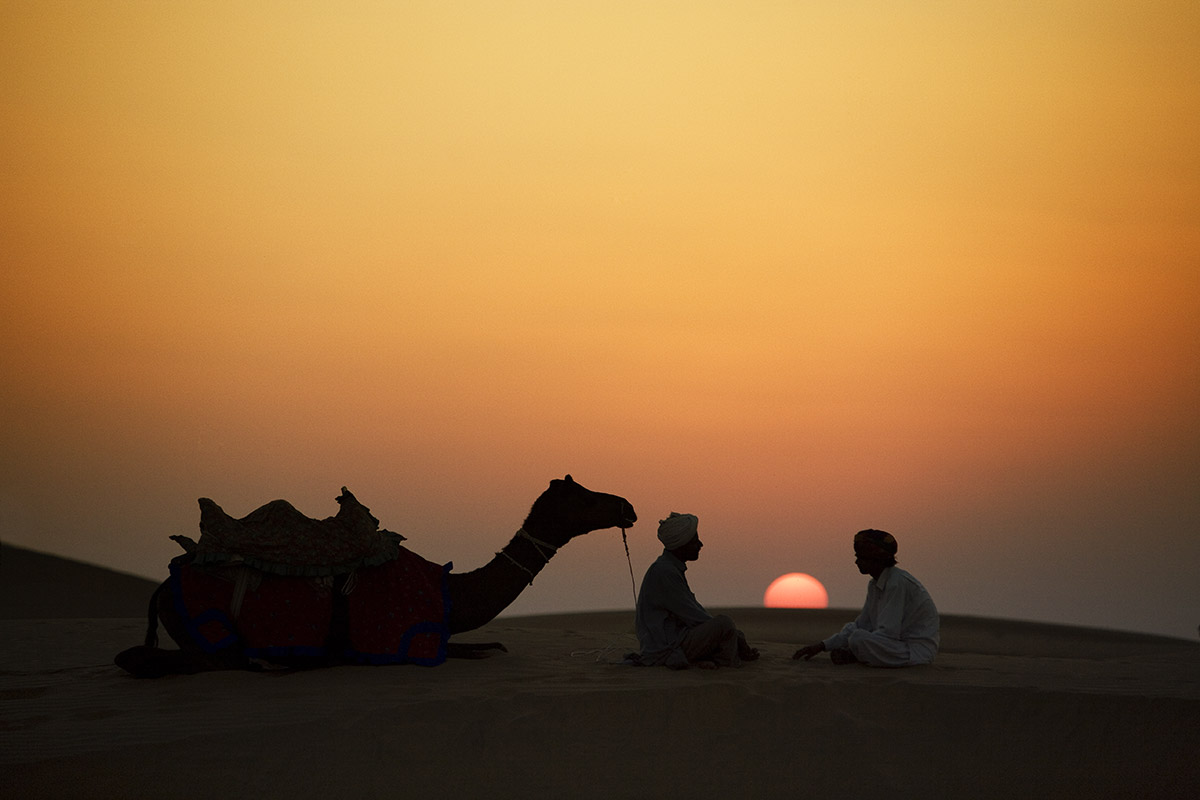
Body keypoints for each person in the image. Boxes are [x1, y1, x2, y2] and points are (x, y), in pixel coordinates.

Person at [630, 512, 758, 669]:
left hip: (676, 640)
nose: (700, 544)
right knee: (725, 624)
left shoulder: (668, 568)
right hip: (665, 648)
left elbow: (693, 615)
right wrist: (736, 637)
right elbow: (695, 616)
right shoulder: (665, 572)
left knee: (731, 632)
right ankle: (726, 667)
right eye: (694, 541)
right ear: (681, 545)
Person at [793, 529, 939, 667]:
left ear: (877, 559)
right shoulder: (874, 585)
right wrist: (822, 645)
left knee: (858, 638)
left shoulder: (896, 583)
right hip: (895, 646)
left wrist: (854, 646)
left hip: (915, 652)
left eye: (861, 558)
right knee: (855, 634)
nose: (857, 562)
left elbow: (888, 633)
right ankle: (860, 656)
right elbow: (862, 624)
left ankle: (856, 656)